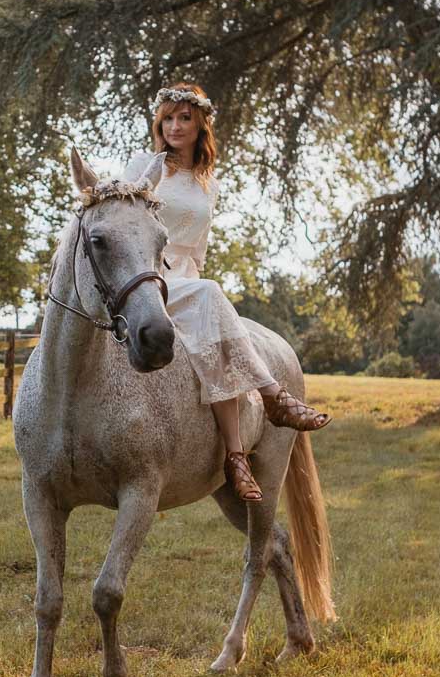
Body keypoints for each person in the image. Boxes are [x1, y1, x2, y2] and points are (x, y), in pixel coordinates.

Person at [122, 82, 330, 502]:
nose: (175, 127)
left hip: (189, 282)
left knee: (214, 341)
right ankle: (274, 395)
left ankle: (236, 456)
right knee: (210, 292)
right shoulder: (143, 165)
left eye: (184, 119)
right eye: (168, 119)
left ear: (200, 126)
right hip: (147, 276)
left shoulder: (207, 185)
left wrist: (198, 299)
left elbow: (197, 252)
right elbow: (129, 225)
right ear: (158, 124)